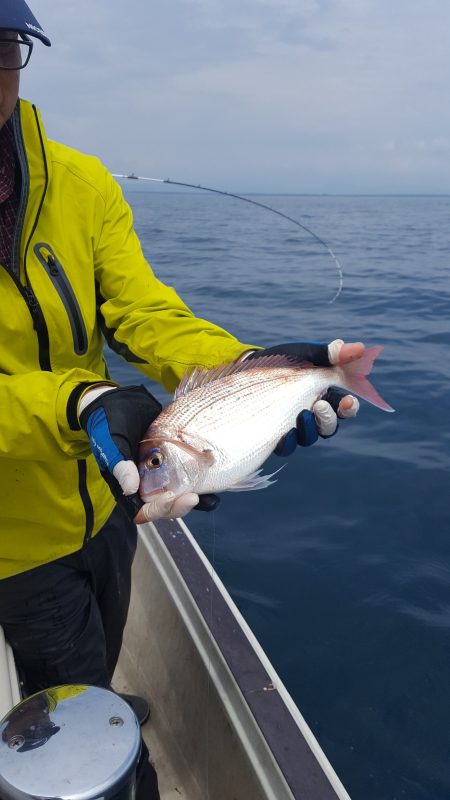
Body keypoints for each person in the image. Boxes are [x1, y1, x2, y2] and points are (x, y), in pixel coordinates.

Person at [0, 2, 361, 796]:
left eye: (1, 48)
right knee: (70, 702)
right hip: (15, 536)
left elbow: (143, 313)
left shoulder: (83, 184)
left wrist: (242, 370)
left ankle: (98, 691)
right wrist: (75, 401)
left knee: (107, 632)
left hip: (115, 492)